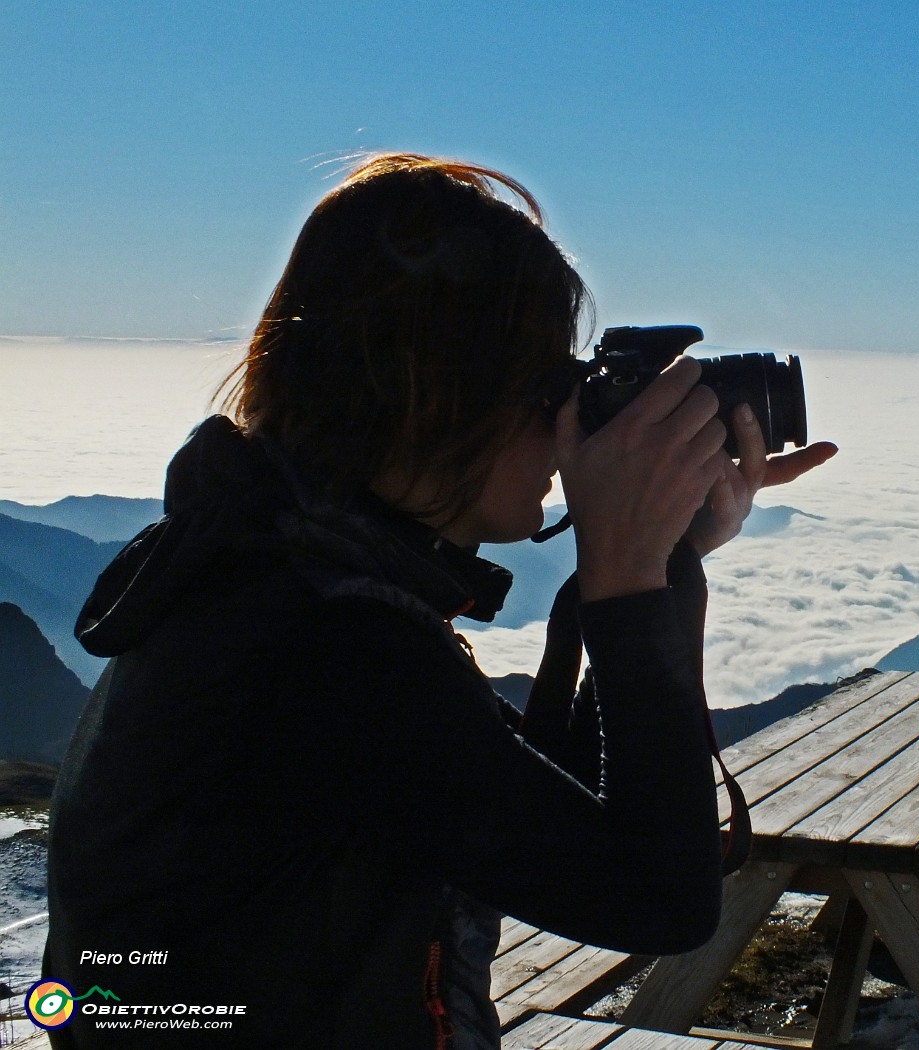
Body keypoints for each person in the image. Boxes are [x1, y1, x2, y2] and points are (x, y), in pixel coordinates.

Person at [41, 153, 836, 1049]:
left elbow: (527, 809)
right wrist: (626, 578)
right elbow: (660, 898)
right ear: (433, 394)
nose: (566, 426)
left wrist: (664, 557)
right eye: (546, 388)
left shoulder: (272, 571)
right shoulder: (333, 649)